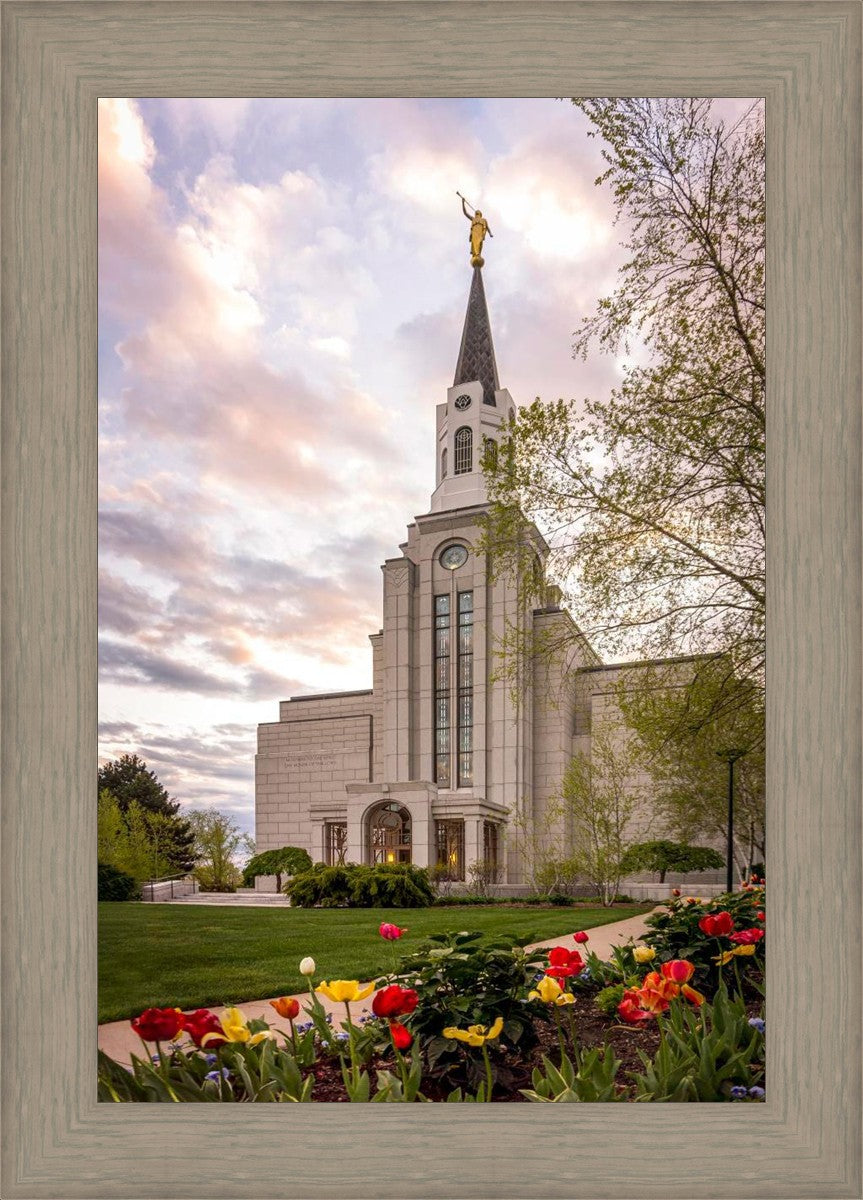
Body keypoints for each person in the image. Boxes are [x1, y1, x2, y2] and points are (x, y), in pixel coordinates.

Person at [460, 195, 493, 265]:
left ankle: (478, 255)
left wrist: (490, 233)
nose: (477, 213)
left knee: (480, 243)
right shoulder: (473, 219)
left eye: (478, 212)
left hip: (480, 234)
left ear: (480, 214)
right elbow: (465, 213)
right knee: (475, 245)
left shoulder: (483, 220)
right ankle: (476, 255)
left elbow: (487, 227)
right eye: (476, 212)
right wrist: (463, 202)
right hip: (474, 233)